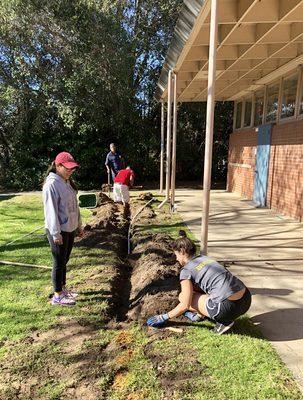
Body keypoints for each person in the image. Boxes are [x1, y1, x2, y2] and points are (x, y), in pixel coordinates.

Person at [147, 232, 251, 334]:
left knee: (183, 296)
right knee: (199, 289)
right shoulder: (205, 258)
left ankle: (225, 322)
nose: (177, 258)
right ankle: (201, 315)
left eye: (176, 255)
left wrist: (164, 317)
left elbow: (185, 305)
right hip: (246, 299)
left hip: (227, 309)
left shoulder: (186, 271)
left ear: (182, 251)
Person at [43, 151, 83, 306]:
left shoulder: (67, 182)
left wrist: (78, 225)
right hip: (58, 230)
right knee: (58, 262)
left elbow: (75, 207)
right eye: (67, 168)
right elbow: (50, 211)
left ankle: (64, 289)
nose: (70, 171)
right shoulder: (52, 184)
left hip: (70, 227)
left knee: (64, 260)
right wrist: (55, 233)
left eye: (72, 169)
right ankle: (58, 295)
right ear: (58, 166)